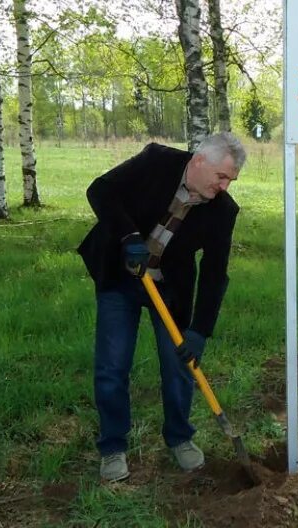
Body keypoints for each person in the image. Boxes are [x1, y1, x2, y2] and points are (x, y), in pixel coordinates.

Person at [78, 132, 245, 481]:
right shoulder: (156, 162)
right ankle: (113, 447)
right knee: (112, 365)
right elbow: (100, 190)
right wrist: (128, 236)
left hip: (169, 288)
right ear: (200, 161)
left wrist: (199, 330)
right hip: (120, 277)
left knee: (178, 365)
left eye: (231, 180)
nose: (225, 186)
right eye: (222, 176)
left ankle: (180, 438)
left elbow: (216, 274)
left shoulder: (223, 211)